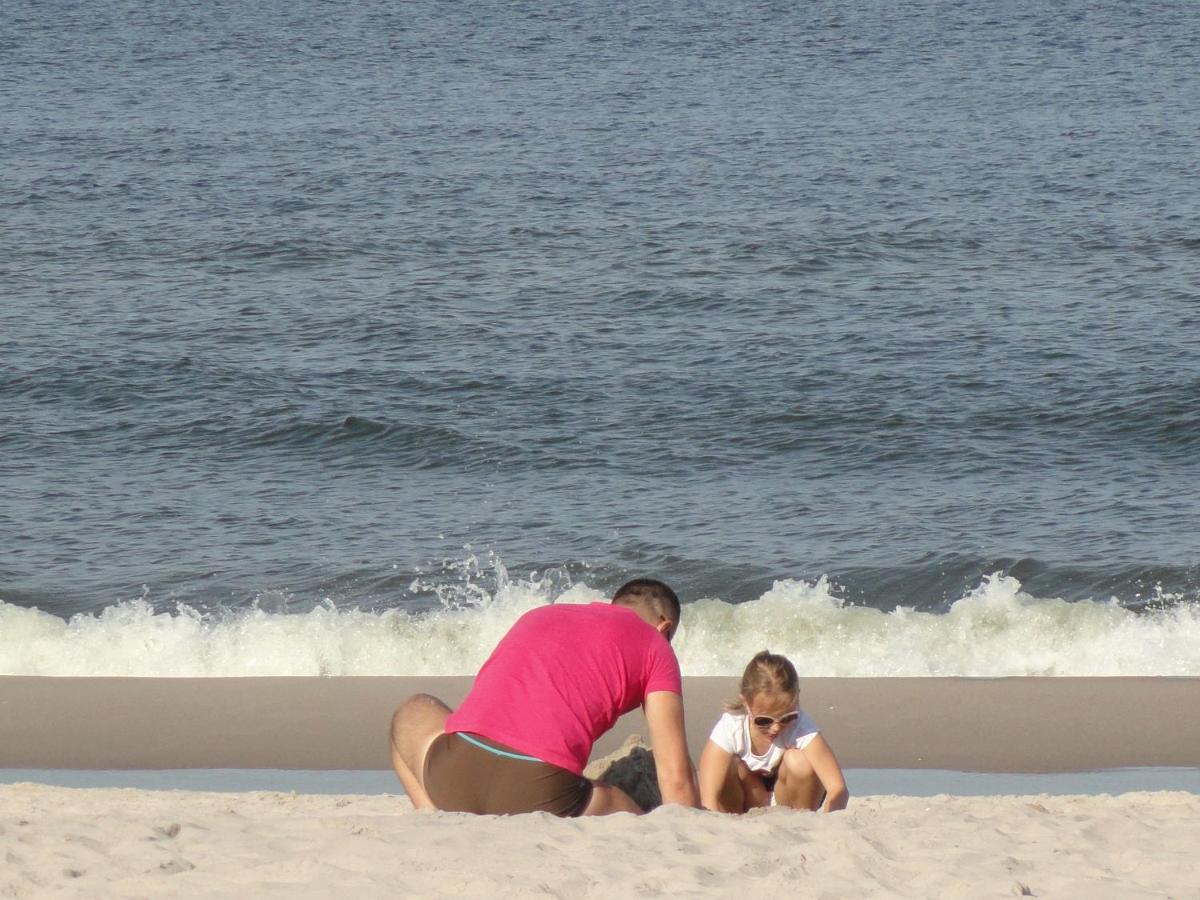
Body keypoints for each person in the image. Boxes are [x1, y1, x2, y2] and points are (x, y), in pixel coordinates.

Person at [389, 578, 700, 816]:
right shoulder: (654, 644)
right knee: (622, 806)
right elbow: (675, 777)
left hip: (452, 772)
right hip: (538, 791)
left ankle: (432, 814)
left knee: (413, 710)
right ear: (665, 626)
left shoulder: (542, 614)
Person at [698, 651, 848, 813]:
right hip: (746, 800)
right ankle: (737, 821)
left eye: (787, 718)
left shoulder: (801, 726)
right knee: (728, 765)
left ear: (797, 699)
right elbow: (709, 798)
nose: (776, 728)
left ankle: (801, 818)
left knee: (797, 760)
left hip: (789, 800)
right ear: (746, 703)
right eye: (764, 721)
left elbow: (837, 789)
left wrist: (826, 821)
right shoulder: (732, 726)